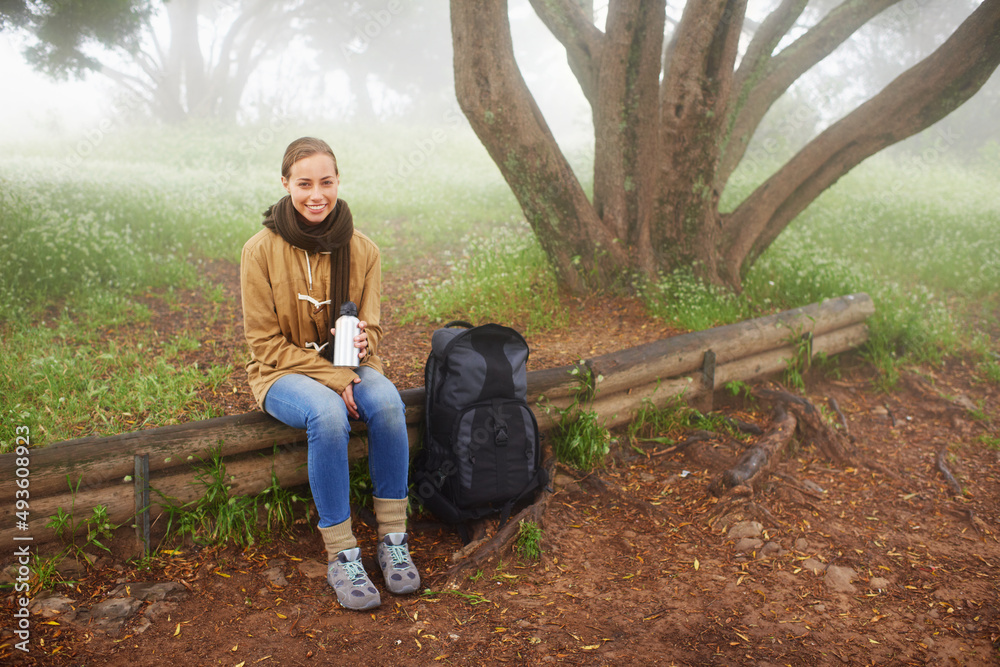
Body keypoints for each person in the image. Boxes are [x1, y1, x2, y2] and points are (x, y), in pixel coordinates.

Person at [240, 137, 419, 611]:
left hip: (349, 365)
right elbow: (264, 344)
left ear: (338, 182)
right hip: (280, 373)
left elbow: (373, 327)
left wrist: (363, 342)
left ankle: (393, 539)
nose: (316, 194)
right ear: (285, 185)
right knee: (327, 415)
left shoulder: (364, 250)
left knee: (387, 403)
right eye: (304, 184)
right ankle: (342, 554)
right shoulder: (259, 251)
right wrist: (335, 380)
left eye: (326, 182)